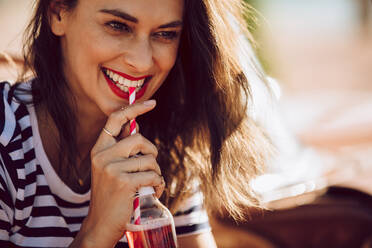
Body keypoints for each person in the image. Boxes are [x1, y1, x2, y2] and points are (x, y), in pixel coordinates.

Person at [0, 0, 272, 247]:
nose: (142, 62)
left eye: (165, 34)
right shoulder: (6, 139)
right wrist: (96, 232)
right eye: (117, 26)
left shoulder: (166, 148)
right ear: (58, 13)